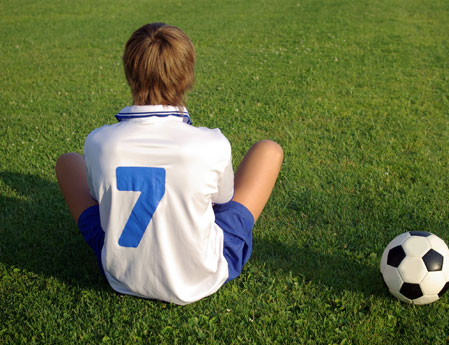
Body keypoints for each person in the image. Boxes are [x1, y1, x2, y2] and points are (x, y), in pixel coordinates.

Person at [55, 23, 283, 305]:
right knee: (268, 150)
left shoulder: (99, 141)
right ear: (188, 76)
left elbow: (96, 197)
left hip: (121, 274)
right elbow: (223, 200)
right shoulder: (210, 143)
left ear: (129, 73)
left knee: (67, 162)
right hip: (201, 276)